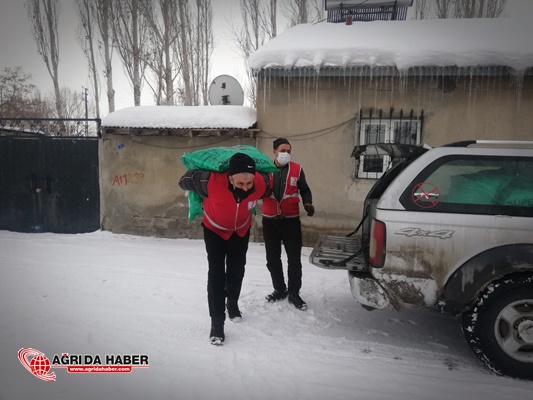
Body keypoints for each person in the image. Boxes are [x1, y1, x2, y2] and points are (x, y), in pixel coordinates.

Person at [178, 152, 269, 346]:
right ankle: (217, 322)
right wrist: (190, 188)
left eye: (249, 183)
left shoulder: (261, 183)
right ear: (230, 178)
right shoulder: (210, 181)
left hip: (240, 230)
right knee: (217, 273)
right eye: (240, 183)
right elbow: (184, 180)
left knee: (237, 270)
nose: (246, 188)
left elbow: (272, 185)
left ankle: (232, 302)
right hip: (215, 230)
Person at [261, 138, 314, 311]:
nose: (286, 154)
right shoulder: (264, 169)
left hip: (291, 221)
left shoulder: (297, 169)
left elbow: (305, 189)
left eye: (288, 151)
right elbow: (256, 190)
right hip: (270, 221)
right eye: (282, 150)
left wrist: (308, 203)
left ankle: (294, 293)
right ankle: (279, 289)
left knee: (294, 259)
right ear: (274, 152)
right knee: (272, 259)